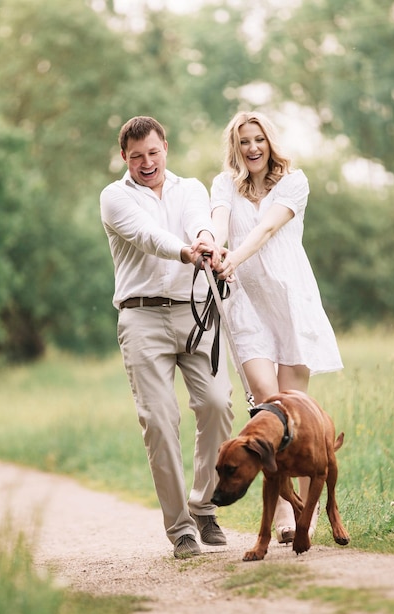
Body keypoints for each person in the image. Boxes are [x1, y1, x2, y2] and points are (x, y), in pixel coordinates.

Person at [100, 116, 235, 559]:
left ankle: (203, 504)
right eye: (137, 156)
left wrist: (204, 240)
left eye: (153, 153)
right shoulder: (114, 197)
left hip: (194, 311)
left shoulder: (190, 188)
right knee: (160, 421)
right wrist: (185, 250)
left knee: (217, 404)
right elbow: (146, 236)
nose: (146, 162)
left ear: (165, 148)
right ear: (125, 157)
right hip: (141, 319)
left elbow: (199, 221)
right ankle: (180, 528)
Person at [210, 111, 343, 544]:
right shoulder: (223, 184)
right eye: (244, 141)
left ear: (270, 143)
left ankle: (307, 517)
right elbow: (218, 221)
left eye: (258, 140)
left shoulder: (294, 183)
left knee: (298, 413)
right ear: (235, 147)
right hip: (246, 305)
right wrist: (213, 246)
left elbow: (267, 228)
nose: (252, 148)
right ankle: (286, 508)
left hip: (290, 302)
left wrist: (233, 256)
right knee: (269, 404)